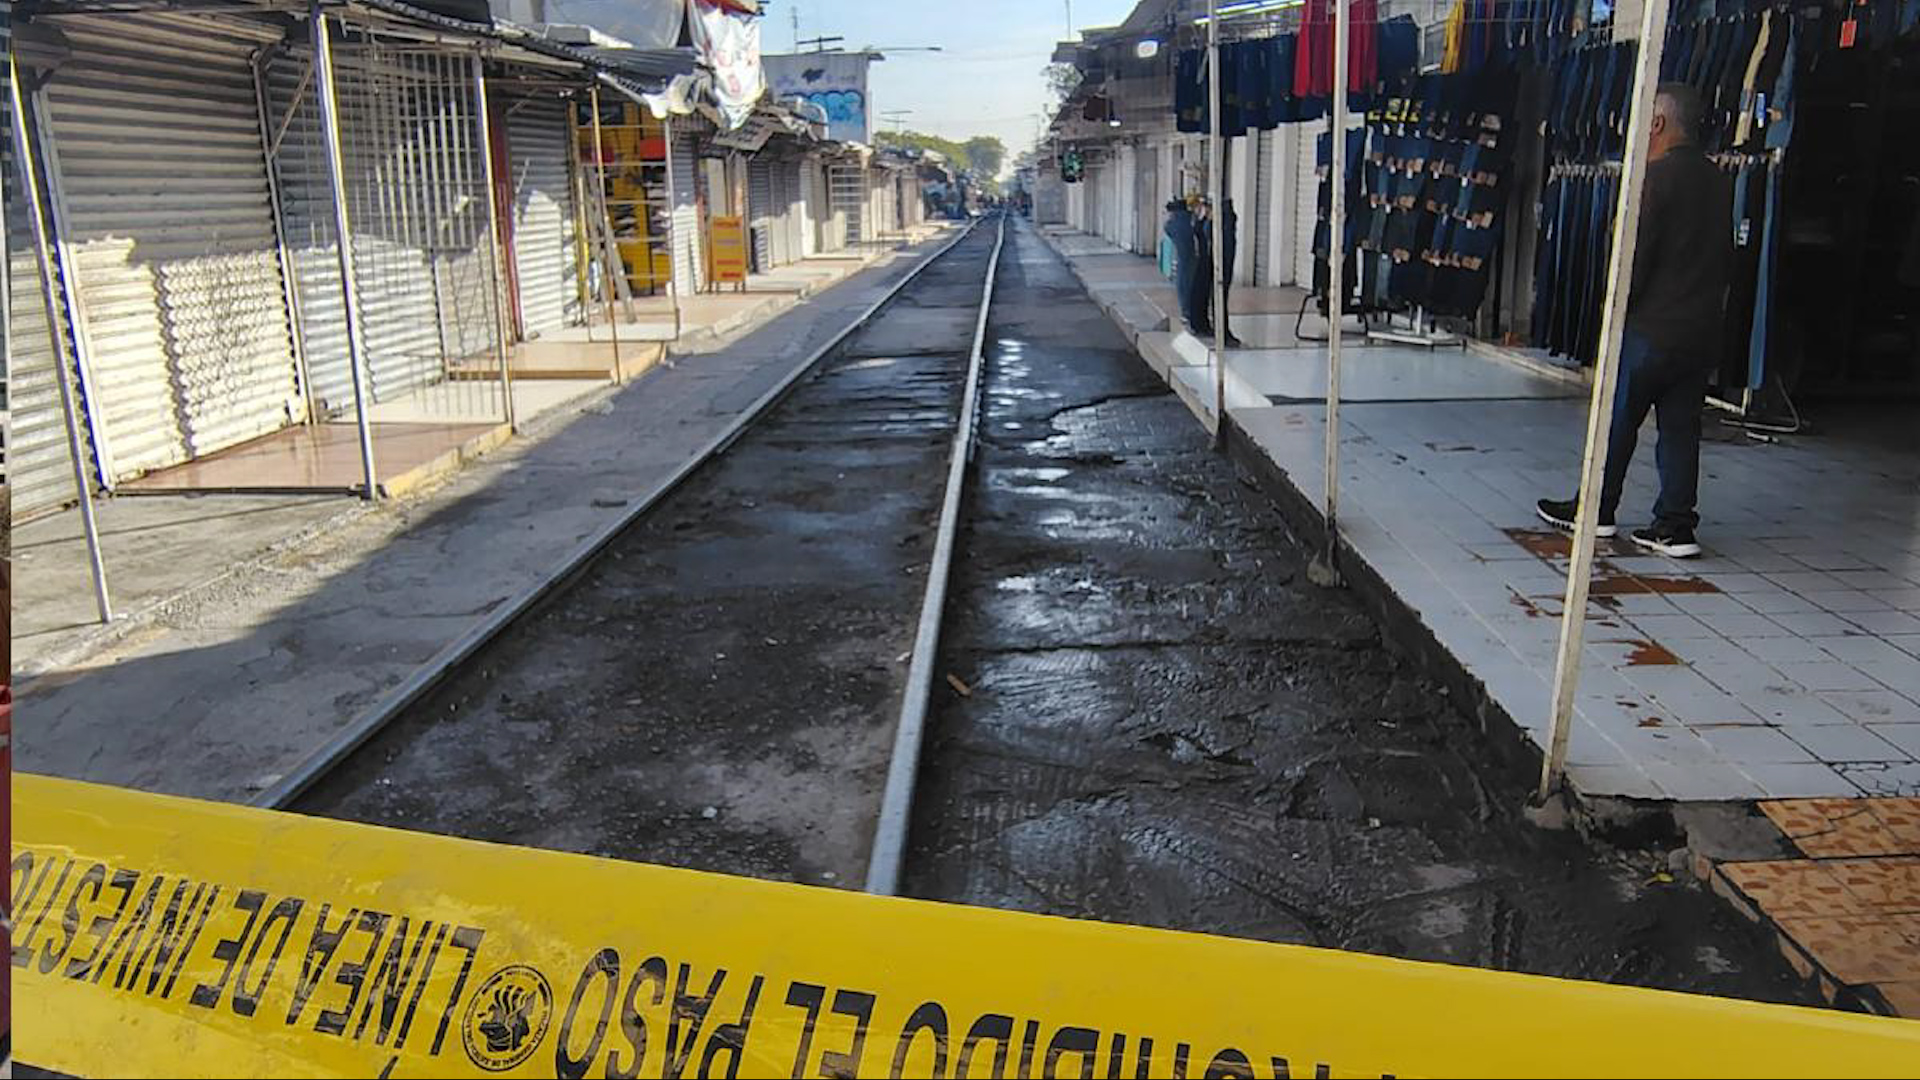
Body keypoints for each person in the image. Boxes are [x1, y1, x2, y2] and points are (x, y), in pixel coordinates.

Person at [1537, 84, 1732, 558]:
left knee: (1617, 418)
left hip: (1651, 327)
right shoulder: (1718, 180)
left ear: (1658, 123)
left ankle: (1596, 508)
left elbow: (1634, 258)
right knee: (1681, 428)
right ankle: (1675, 525)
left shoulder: (1653, 178)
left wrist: (1616, 309)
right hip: (1700, 327)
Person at [1164, 198, 1199, 333]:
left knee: (1183, 286)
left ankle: (1186, 312)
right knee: (1192, 285)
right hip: (1194, 258)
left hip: (1183, 259)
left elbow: (1168, 228)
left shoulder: (1174, 224)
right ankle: (1190, 312)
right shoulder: (1191, 220)